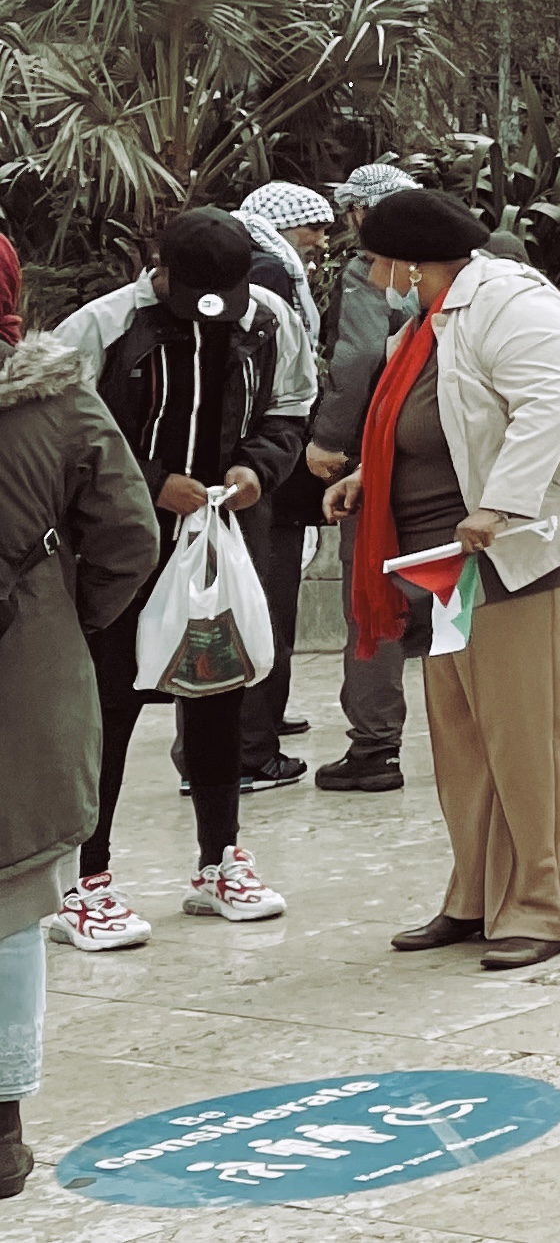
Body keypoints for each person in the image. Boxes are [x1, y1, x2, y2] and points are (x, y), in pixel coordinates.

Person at [332, 189, 560, 971]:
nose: (374, 277)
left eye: (377, 262)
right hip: (450, 563)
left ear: (411, 262)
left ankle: (546, 906)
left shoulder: (512, 302)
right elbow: (435, 425)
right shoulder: (428, 321)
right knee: (466, 738)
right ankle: (476, 894)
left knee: (535, 735)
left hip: (533, 549)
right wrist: (369, 475)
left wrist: (500, 505)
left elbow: (547, 405)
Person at [43, 208, 309, 950]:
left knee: (219, 691)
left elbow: (291, 407)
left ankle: (219, 860)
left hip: (220, 537)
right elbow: (62, 435)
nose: (211, 311)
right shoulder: (101, 327)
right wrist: (151, 483)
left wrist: (257, 469)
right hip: (117, 548)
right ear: (158, 270)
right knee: (107, 708)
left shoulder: (268, 320)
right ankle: (83, 879)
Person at [0, 245, 163, 1197]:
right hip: (26, 680)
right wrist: (68, 621)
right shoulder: (58, 401)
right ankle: (2, 1124)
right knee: (12, 896)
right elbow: (130, 534)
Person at [305, 166, 425, 792]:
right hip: (447, 452)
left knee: (373, 599)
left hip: (381, 450)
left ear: (361, 212)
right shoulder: (461, 269)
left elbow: (355, 358)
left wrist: (328, 438)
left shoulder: (371, 271)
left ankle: (375, 746)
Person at [231, 182, 333, 791]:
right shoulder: (268, 271)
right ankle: (250, 749)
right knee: (264, 609)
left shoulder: (257, 265)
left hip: (252, 472)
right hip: (265, 477)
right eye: (313, 226)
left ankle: (257, 729)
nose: (320, 238)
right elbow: (282, 387)